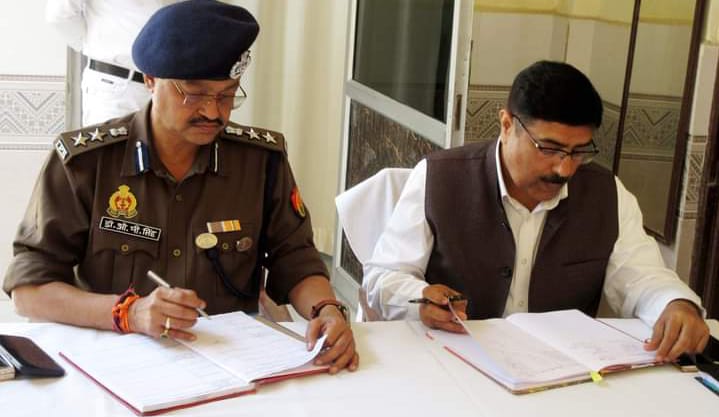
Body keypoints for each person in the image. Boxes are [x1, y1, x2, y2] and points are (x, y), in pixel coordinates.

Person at [5, 0, 358, 374]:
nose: (213, 112)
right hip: (114, 362)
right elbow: (29, 291)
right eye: (194, 94)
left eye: (227, 95)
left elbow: (295, 259)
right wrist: (129, 312)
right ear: (150, 80)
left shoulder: (259, 162)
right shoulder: (87, 163)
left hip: (229, 365)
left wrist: (327, 310)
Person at [363, 60, 709, 362]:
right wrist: (419, 298)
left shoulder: (606, 194)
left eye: (578, 151)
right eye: (549, 148)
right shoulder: (439, 177)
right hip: (453, 360)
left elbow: (642, 276)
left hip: (560, 372)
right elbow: (383, 276)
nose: (564, 169)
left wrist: (676, 304)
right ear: (506, 125)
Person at [46, 0, 178, 125]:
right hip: (116, 88)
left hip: (167, 89)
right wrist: (92, 46)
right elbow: (59, 14)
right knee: (112, 142)